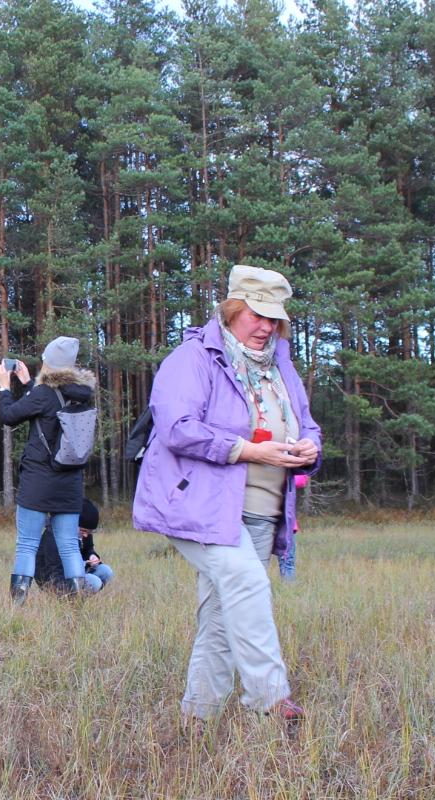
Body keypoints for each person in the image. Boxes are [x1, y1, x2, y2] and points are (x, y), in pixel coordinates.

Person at [132, 264, 322, 726]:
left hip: (262, 508)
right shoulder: (192, 358)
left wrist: (309, 446)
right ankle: (271, 700)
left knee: (220, 617)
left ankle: (196, 721)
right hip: (198, 505)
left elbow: (305, 421)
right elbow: (177, 428)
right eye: (256, 315)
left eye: (274, 319)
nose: (266, 327)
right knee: (247, 582)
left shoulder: (281, 364)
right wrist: (248, 449)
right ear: (233, 309)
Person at [0, 336, 96, 602]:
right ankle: (76, 605)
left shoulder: (43, 394)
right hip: (70, 482)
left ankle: (17, 606)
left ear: (49, 363)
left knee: (27, 545)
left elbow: (9, 416)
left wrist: (5, 387)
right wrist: (29, 383)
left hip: (39, 480)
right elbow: (50, 409)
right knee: (69, 547)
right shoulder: (83, 395)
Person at [34, 498, 111, 594]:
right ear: (72, 524)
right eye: (83, 531)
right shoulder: (54, 535)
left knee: (105, 571)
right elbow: (54, 570)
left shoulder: (82, 531)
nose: (86, 535)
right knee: (94, 582)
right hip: (53, 579)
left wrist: (92, 555)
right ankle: (71, 601)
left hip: (75, 571)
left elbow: (88, 549)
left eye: (89, 532)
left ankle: (78, 597)